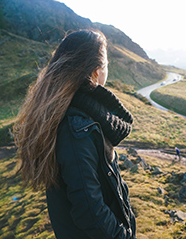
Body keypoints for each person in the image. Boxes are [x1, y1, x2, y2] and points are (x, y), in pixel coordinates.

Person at [13, 29, 136, 239]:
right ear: (96, 71)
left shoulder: (70, 114)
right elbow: (90, 211)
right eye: (106, 64)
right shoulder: (76, 127)